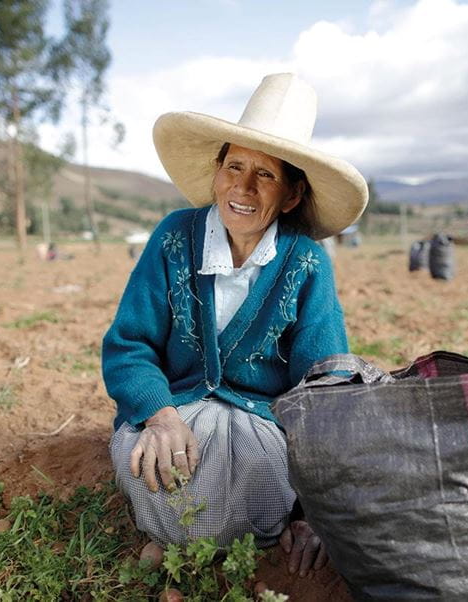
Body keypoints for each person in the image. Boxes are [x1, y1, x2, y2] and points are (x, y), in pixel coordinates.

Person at [102, 73, 368, 578]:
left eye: (265, 176)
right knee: (148, 462)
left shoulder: (306, 261)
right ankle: (188, 535)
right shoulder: (174, 237)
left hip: (261, 422)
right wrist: (159, 417)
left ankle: (195, 540)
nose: (242, 188)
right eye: (234, 167)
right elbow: (129, 346)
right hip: (173, 409)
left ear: (291, 196)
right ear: (218, 172)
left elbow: (324, 384)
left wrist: (316, 509)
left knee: (268, 479)